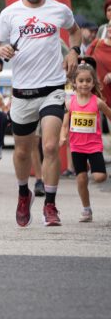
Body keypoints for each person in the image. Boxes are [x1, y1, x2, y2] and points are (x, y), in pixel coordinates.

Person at [0, 0, 80, 227]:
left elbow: (75, 33)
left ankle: (50, 205)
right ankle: (23, 193)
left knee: (50, 145)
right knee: (22, 152)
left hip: (52, 88)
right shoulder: (9, 14)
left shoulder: (59, 10)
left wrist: (74, 51)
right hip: (23, 92)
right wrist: (0, 50)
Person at [59, 62, 110, 222]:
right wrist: (62, 136)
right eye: (81, 81)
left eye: (88, 80)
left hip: (94, 146)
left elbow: (109, 114)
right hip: (77, 147)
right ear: (74, 83)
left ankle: (95, 169)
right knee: (81, 179)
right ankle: (86, 209)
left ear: (93, 82)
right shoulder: (70, 103)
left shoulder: (97, 102)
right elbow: (65, 124)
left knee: (100, 177)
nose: (84, 84)